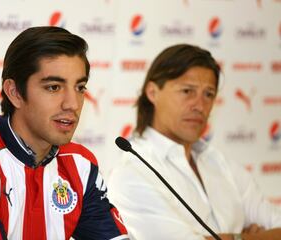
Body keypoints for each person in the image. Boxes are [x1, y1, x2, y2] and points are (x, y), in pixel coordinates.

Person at [0, 26, 128, 240]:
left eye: (80, 87)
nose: (72, 104)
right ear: (15, 93)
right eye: (54, 87)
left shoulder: (80, 164)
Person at [108, 44, 281, 240]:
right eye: (187, 91)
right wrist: (246, 236)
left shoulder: (220, 163)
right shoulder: (132, 173)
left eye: (209, 94)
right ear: (152, 92)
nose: (200, 106)